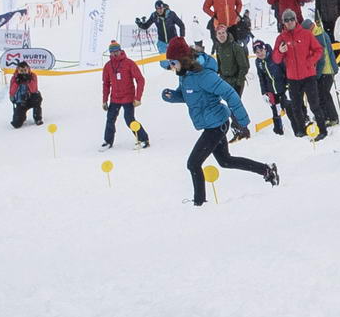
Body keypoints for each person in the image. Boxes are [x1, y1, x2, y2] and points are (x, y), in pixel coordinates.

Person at [160, 37, 276, 206]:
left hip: (216, 126)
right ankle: (267, 170)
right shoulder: (185, 76)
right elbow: (188, 96)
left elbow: (229, 93)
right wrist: (172, 96)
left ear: (183, 60)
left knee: (193, 163)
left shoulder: (204, 76)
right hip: (212, 124)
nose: (170, 67)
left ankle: (199, 204)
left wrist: (242, 119)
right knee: (226, 161)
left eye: (172, 63)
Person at [273, 8, 337, 137]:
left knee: (315, 105)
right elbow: (276, 59)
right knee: (296, 106)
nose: (290, 22)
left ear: (296, 20)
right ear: (283, 22)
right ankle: (301, 130)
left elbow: (319, 50)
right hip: (293, 78)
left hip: (308, 76)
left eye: (292, 19)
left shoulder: (306, 34)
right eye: (287, 20)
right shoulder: (281, 38)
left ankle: (322, 130)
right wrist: (280, 51)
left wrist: (309, 62)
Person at [100, 40, 149, 149]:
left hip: (128, 97)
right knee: (110, 119)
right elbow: (106, 84)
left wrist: (138, 97)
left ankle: (143, 139)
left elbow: (140, 79)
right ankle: (108, 141)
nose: (114, 54)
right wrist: (104, 100)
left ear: (120, 50)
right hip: (115, 98)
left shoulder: (129, 63)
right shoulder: (108, 66)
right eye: (112, 52)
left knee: (129, 119)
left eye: (116, 51)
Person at [211, 20, 250, 98]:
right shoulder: (218, 47)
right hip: (224, 81)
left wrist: (238, 83)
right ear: (216, 36)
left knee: (235, 106)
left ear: (227, 33)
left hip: (236, 82)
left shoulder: (235, 47)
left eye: (223, 33)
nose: (221, 35)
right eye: (219, 33)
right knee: (228, 104)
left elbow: (244, 67)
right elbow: (219, 64)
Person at [9, 59, 43, 127]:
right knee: (16, 124)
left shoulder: (33, 76)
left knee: (37, 97)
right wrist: (17, 82)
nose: (23, 72)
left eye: (25, 70)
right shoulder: (14, 78)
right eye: (21, 70)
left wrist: (28, 81)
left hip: (31, 99)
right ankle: (22, 117)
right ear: (18, 70)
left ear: (28, 69)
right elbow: (12, 93)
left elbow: (34, 89)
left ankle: (37, 118)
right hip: (21, 101)